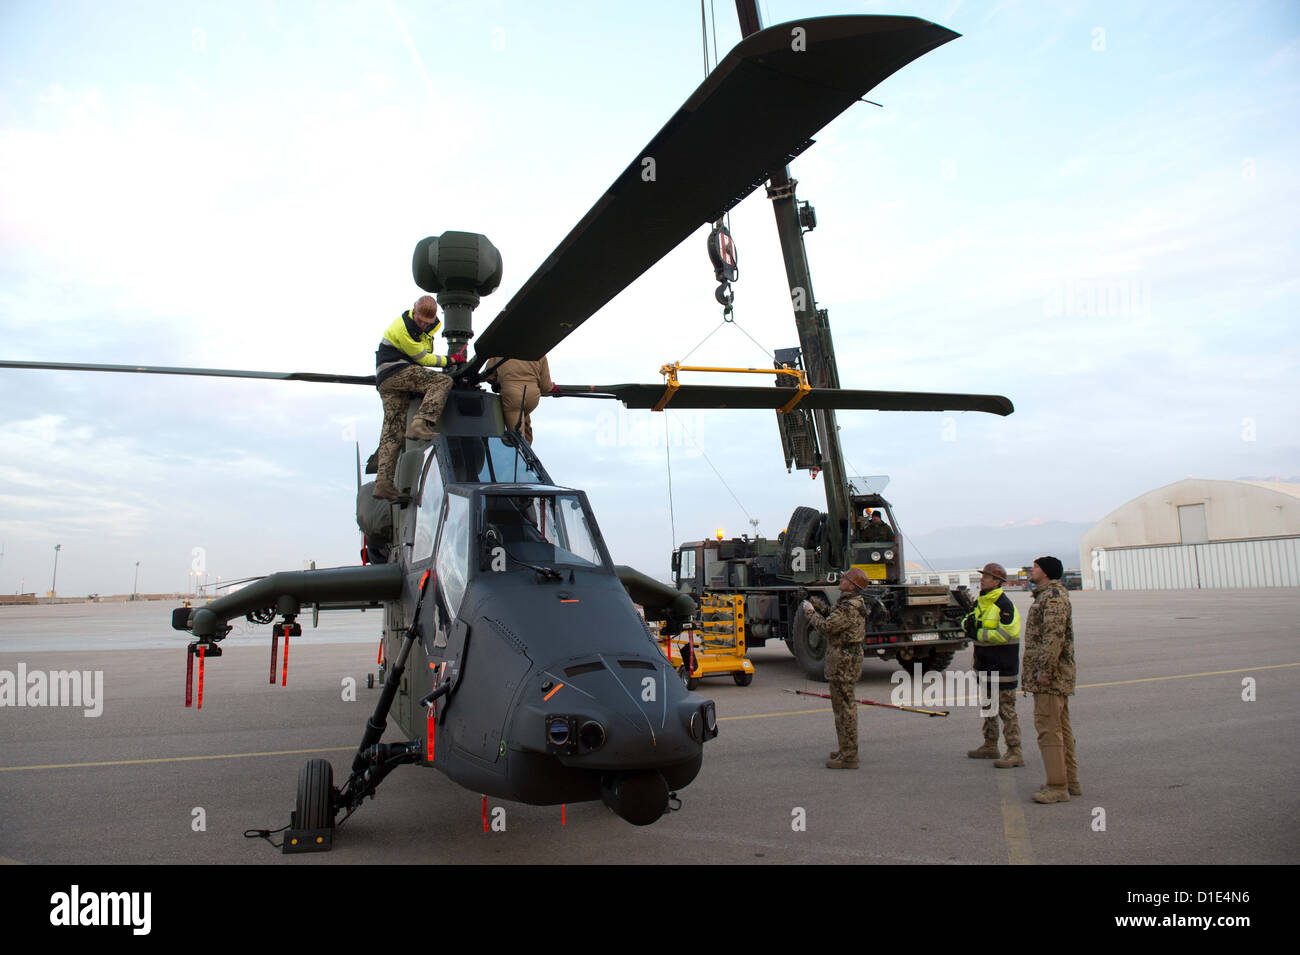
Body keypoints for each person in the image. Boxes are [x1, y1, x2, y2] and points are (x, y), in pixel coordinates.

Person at [374, 295, 463, 501]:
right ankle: (421, 423)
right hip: (396, 371)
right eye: (420, 320)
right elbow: (423, 358)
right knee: (442, 382)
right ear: (413, 311)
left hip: (386, 380)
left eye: (427, 322)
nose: (422, 324)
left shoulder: (422, 327)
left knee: (392, 431)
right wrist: (450, 360)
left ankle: (383, 484)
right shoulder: (402, 328)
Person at [1021, 555, 1079, 803]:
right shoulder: (1047, 595)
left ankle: (1057, 786)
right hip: (1054, 676)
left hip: (1051, 678)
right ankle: (1070, 781)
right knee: (1061, 730)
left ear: (1045, 572)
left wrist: (1044, 671)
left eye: (1034, 567)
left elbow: (1053, 637)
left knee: (1049, 730)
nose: (1030, 571)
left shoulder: (1053, 598)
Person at [801, 567, 870, 769]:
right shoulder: (849, 605)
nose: (841, 580)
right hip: (844, 660)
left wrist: (809, 612)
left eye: (845, 578)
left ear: (852, 585)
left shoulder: (849, 607)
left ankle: (849, 756)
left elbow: (826, 627)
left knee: (845, 709)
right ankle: (845, 749)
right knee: (841, 708)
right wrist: (815, 602)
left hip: (843, 662)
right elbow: (832, 615)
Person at [963, 562, 1023, 768]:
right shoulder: (981, 602)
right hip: (985, 664)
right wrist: (968, 626)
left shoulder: (1004, 605)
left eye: (987, 577)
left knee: (1006, 709)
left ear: (997, 581)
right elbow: (967, 622)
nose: (982, 579)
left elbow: (1007, 633)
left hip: (1002, 666)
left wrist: (978, 633)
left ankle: (1015, 751)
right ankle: (990, 744)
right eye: (983, 576)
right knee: (988, 707)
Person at [485, 357, 558, 445]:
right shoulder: (540, 352)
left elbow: (489, 376)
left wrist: (498, 382)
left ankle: (520, 453)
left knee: (517, 437)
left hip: (512, 396)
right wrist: (552, 387)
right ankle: (528, 455)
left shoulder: (499, 349)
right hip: (532, 397)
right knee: (523, 419)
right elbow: (545, 386)